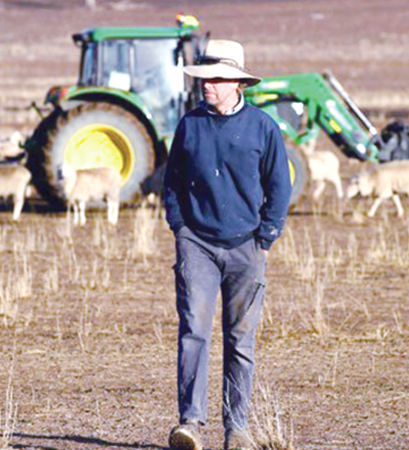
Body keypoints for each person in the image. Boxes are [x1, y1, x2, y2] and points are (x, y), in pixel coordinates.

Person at [162, 39, 292, 450]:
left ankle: (237, 429)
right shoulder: (189, 125)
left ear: (238, 83)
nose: (207, 86)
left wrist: (266, 237)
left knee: (240, 340)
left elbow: (279, 186)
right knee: (194, 331)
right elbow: (173, 183)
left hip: (247, 248)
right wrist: (181, 229)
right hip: (196, 245)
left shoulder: (263, 128)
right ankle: (191, 425)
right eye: (204, 79)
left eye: (216, 79)